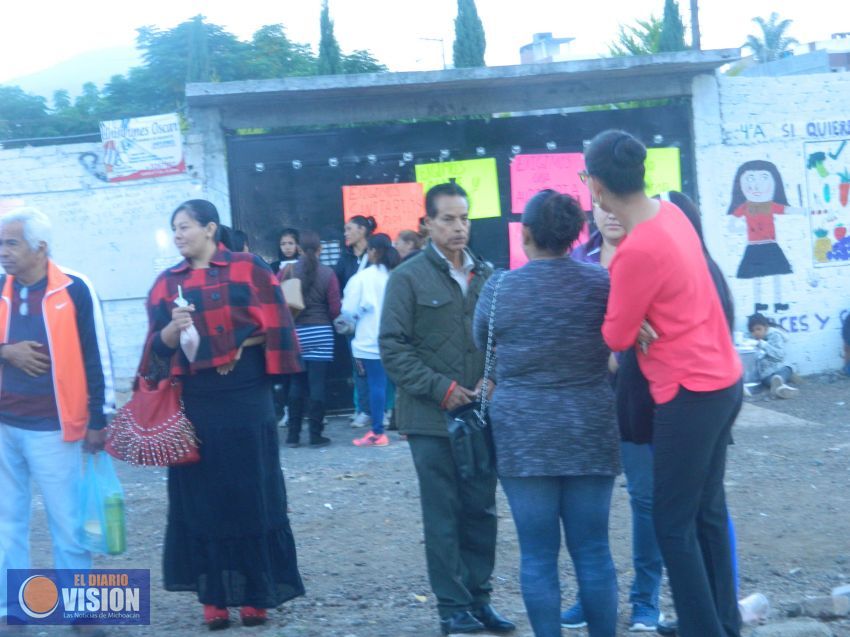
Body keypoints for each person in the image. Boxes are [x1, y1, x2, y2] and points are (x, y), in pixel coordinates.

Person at [586, 130, 743, 637]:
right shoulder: (671, 215)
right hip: (723, 382)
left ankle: (705, 629)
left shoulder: (635, 252)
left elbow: (614, 332)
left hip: (687, 393)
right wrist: (639, 318)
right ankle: (722, 622)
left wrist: (633, 319)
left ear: (597, 188)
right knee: (707, 512)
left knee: (672, 526)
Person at [140, 199, 304, 629]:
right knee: (202, 498)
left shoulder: (249, 268)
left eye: (185, 227)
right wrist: (172, 331)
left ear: (211, 229)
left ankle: (255, 595)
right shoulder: (164, 284)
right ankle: (213, 598)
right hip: (196, 403)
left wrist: (239, 346)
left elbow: (279, 325)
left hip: (247, 399)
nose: (178, 235)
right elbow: (154, 358)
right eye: (174, 229)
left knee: (252, 492)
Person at [474, 190, 619, 637]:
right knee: (594, 549)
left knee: (537, 554)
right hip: (590, 424)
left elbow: (484, 344)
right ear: (575, 234)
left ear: (527, 233)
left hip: (523, 432)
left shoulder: (500, 287)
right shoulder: (601, 283)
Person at [380, 183, 515, 636]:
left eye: (464, 218)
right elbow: (393, 349)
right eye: (448, 219)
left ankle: (480, 601)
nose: (459, 228)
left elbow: (501, 339)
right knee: (443, 513)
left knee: (481, 510)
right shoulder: (407, 277)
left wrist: (493, 378)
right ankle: (452, 608)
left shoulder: (488, 275)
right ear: (427, 224)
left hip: (480, 415)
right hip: (431, 419)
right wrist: (442, 389)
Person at [0, 208, 109, 627]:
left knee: (67, 522)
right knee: (7, 522)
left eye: (12, 243)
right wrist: (5, 351)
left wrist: (99, 419)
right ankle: (15, 609)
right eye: (2, 243)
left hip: (54, 429)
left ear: (40, 247)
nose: (4, 252)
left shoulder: (75, 289)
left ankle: (82, 612)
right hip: (4, 427)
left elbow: (96, 355)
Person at [562, 200, 663, 634]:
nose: (610, 214)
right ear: (592, 217)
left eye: (616, 205)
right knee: (588, 505)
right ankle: (592, 596)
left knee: (644, 499)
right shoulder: (579, 263)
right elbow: (567, 329)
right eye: (601, 208)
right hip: (588, 398)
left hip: (641, 397)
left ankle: (645, 600)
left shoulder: (650, 253)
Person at [283, 230, 341, 447]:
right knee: (317, 384)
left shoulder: (289, 271)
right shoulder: (328, 273)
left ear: (298, 248)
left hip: (296, 334)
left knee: (296, 383)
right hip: (321, 332)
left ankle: (292, 435)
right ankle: (316, 435)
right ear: (320, 249)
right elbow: (335, 309)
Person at [342, 234, 400, 447]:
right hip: (399, 339)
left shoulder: (362, 278)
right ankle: (409, 429)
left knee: (377, 384)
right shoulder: (398, 275)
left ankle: (377, 432)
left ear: (373, 251)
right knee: (406, 384)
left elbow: (348, 310)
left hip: (370, 340)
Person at [336, 215, 377, 429]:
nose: (346, 233)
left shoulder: (375, 255)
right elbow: (337, 286)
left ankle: (385, 409)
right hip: (354, 322)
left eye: (349, 229)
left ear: (362, 230)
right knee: (359, 366)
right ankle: (363, 409)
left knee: (381, 366)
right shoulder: (345, 259)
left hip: (375, 319)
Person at [748, 313, 798, 399]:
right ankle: (781, 389)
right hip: (767, 373)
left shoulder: (775, 335)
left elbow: (779, 355)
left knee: (785, 371)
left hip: (780, 367)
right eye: (752, 331)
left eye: (758, 329)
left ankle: (779, 385)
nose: (755, 333)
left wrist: (763, 345)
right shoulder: (752, 340)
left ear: (766, 327)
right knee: (770, 380)